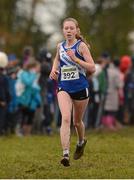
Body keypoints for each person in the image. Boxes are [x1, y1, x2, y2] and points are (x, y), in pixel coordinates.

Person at [49, 17, 95, 167]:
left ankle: (81, 142)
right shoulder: (59, 46)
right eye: (66, 28)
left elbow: (92, 68)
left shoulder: (81, 46)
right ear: (63, 30)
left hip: (81, 88)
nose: (68, 31)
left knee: (77, 122)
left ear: (76, 30)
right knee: (66, 118)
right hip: (64, 87)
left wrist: (76, 59)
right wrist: (53, 69)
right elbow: (57, 59)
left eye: (71, 28)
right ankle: (65, 154)